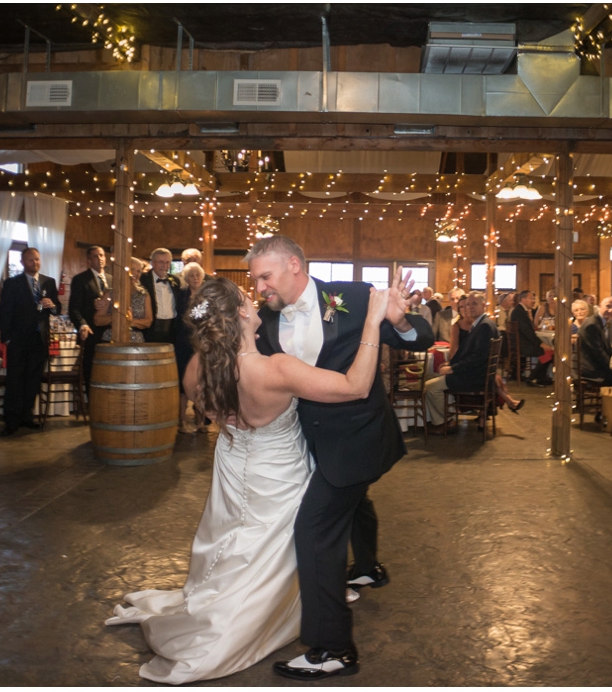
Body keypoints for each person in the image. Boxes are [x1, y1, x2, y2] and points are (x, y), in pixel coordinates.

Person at [106, 277, 392, 684]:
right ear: (241, 313)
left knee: (234, 541)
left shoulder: (197, 366)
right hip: (278, 472)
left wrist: (230, 420)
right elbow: (356, 386)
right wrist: (372, 324)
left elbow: (205, 407)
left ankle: (226, 605)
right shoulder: (275, 369)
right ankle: (250, 620)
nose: (255, 298)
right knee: (277, 544)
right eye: (246, 297)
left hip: (234, 462)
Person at [246, 236, 433, 680]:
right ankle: (367, 567)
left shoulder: (350, 296)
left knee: (314, 530)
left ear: (293, 264)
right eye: (256, 280)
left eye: (265, 277)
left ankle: (333, 647)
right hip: (308, 443)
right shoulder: (266, 322)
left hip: (359, 438)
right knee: (351, 506)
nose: (260, 288)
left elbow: (420, 340)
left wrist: (402, 321)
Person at [0, 248, 61, 436]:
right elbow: (5, 312)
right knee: (15, 380)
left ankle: (27, 416)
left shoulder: (48, 282)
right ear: (23, 261)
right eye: (31, 260)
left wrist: (53, 305)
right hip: (18, 340)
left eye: (38, 259)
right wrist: (7, 338)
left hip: (39, 339)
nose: (35, 263)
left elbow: (57, 309)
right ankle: (11, 421)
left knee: (33, 380)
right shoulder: (12, 283)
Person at [424, 291, 500, 433]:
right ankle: (445, 419)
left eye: (474, 304)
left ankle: (444, 422)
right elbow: (470, 354)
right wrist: (450, 364)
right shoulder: (484, 323)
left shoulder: (484, 326)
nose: (470, 307)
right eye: (468, 304)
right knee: (434, 379)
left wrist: (453, 368)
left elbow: (477, 358)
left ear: (484, 305)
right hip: (477, 375)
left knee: (430, 387)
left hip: (472, 378)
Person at [140, 248, 193, 432]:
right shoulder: (142, 280)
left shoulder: (175, 282)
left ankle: (170, 416)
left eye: (167, 262)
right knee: (149, 375)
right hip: (150, 332)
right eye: (160, 262)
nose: (164, 265)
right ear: (152, 262)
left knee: (170, 375)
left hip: (172, 333)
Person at [69, 246, 111, 395]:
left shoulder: (113, 279)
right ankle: (92, 402)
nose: (99, 259)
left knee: (110, 369)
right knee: (91, 368)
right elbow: (74, 308)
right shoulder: (80, 280)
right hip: (91, 333)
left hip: (111, 332)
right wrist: (83, 325)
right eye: (95, 256)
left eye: (101, 255)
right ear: (88, 261)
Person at [182, 264, 209, 432]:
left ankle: (201, 421)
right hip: (183, 341)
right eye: (191, 275)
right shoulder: (181, 295)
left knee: (202, 381)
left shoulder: (207, 296)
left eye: (198, 275)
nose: (195, 278)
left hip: (203, 341)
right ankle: (182, 421)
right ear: (186, 278)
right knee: (184, 381)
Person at [100, 257, 152, 343]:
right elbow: (97, 320)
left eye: (139, 271)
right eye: (132, 269)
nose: (135, 273)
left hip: (136, 341)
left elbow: (148, 321)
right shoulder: (111, 293)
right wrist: (116, 318)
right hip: (111, 338)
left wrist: (130, 322)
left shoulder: (143, 295)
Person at [511, 290, 553, 386]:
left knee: (550, 351)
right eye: (531, 298)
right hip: (523, 345)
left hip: (524, 343)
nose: (533, 301)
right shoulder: (519, 312)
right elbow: (527, 332)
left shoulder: (521, 311)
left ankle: (541, 378)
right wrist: (540, 343)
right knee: (549, 352)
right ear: (523, 299)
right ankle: (532, 378)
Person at [578, 297, 612, 385]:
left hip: (598, 366)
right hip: (591, 369)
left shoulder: (604, 323)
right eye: (608, 306)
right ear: (600, 306)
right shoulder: (592, 325)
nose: (611, 310)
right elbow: (598, 353)